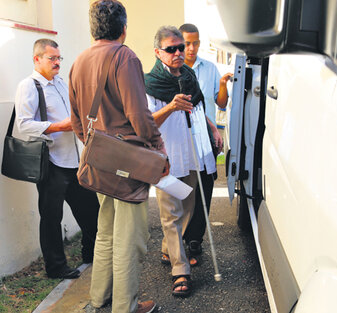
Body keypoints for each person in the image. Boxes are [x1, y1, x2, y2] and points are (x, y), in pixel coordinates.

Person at [69, 1, 167, 313]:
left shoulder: (78, 61)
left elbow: (76, 122)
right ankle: (125, 307)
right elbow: (139, 114)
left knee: (106, 234)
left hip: (100, 160)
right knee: (130, 240)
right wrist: (158, 148)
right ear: (123, 28)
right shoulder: (124, 57)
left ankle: (99, 300)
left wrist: (98, 146)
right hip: (128, 163)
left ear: (92, 28)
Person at [144, 25, 220, 297]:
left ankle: (168, 248)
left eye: (180, 47)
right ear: (158, 52)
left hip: (192, 153)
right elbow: (145, 122)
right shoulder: (150, 83)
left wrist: (212, 127)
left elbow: (197, 106)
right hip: (167, 156)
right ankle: (180, 270)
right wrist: (170, 106)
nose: (178, 53)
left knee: (188, 207)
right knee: (170, 214)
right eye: (171, 49)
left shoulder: (188, 76)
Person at [14, 38, 99, 279]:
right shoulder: (29, 86)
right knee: (52, 217)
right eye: (52, 58)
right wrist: (59, 126)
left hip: (75, 160)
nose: (57, 62)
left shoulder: (62, 83)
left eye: (59, 58)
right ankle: (55, 267)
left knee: (90, 210)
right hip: (51, 162)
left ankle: (91, 252)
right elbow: (24, 125)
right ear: (37, 59)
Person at [179, 23, 232, 259]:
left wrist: (222, 86)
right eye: (187, 43)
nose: (191, 48)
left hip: (207, 138)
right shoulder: (173, 69)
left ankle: (195, 239)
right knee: (181, 189)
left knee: (204, 189)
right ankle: (177, 238)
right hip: (181, 139)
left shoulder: (209, 68)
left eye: (195, 42)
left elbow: (220, 103)